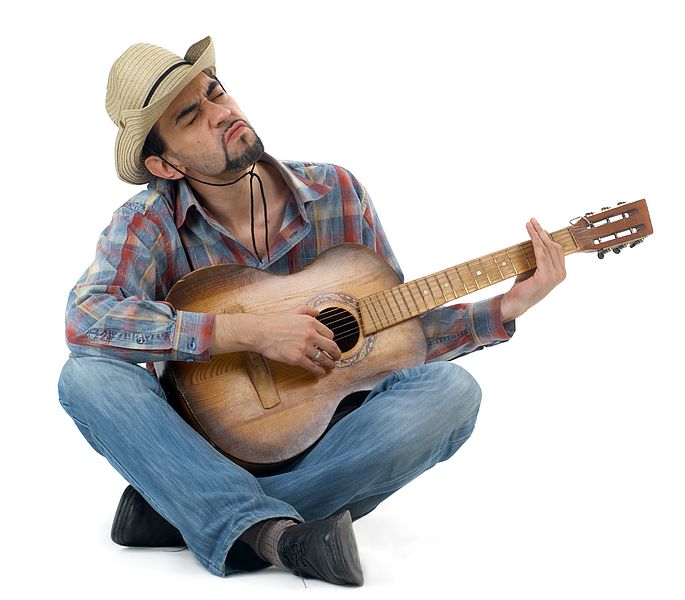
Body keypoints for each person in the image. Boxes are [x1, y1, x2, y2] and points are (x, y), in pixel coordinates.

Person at [58, 35, 566, 586]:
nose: (221, 113)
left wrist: (507, 305)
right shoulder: (148, 221)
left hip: (328, 445)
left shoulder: (337, 192)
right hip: (201, 441)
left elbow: (393, 337)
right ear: (165, 163)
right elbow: (87, 318)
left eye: (216, 92)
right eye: (190, 115)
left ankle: (188, 510)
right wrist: (249, 332)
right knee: (87, 376)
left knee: (452, 394)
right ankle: (273, 534)